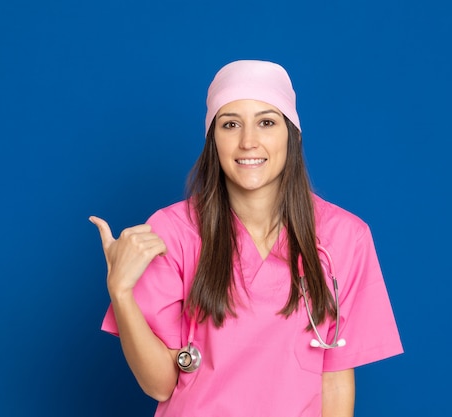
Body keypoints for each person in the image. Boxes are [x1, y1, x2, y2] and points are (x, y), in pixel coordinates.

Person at [90, 60, 403, 417]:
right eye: (230, 124)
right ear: (213, 138)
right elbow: (159, 384)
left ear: (292, 134)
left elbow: (333, 381)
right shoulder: (172, 231)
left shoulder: (345, 237)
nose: (248, 141)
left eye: (266, 122)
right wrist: (121, 292)